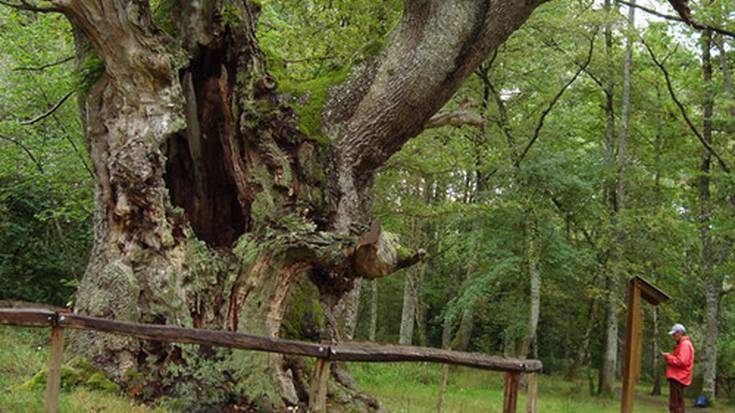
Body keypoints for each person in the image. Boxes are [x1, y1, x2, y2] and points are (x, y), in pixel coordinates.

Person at [661, 323, 695, 413]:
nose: (673, 336)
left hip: (679, 377)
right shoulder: (683, 344)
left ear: (680, 333)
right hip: (678, 377)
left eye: (674, 334)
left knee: (676, 404)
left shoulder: (685, 344)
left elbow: (681, 361)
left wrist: (668, 357)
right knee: (676, 403)